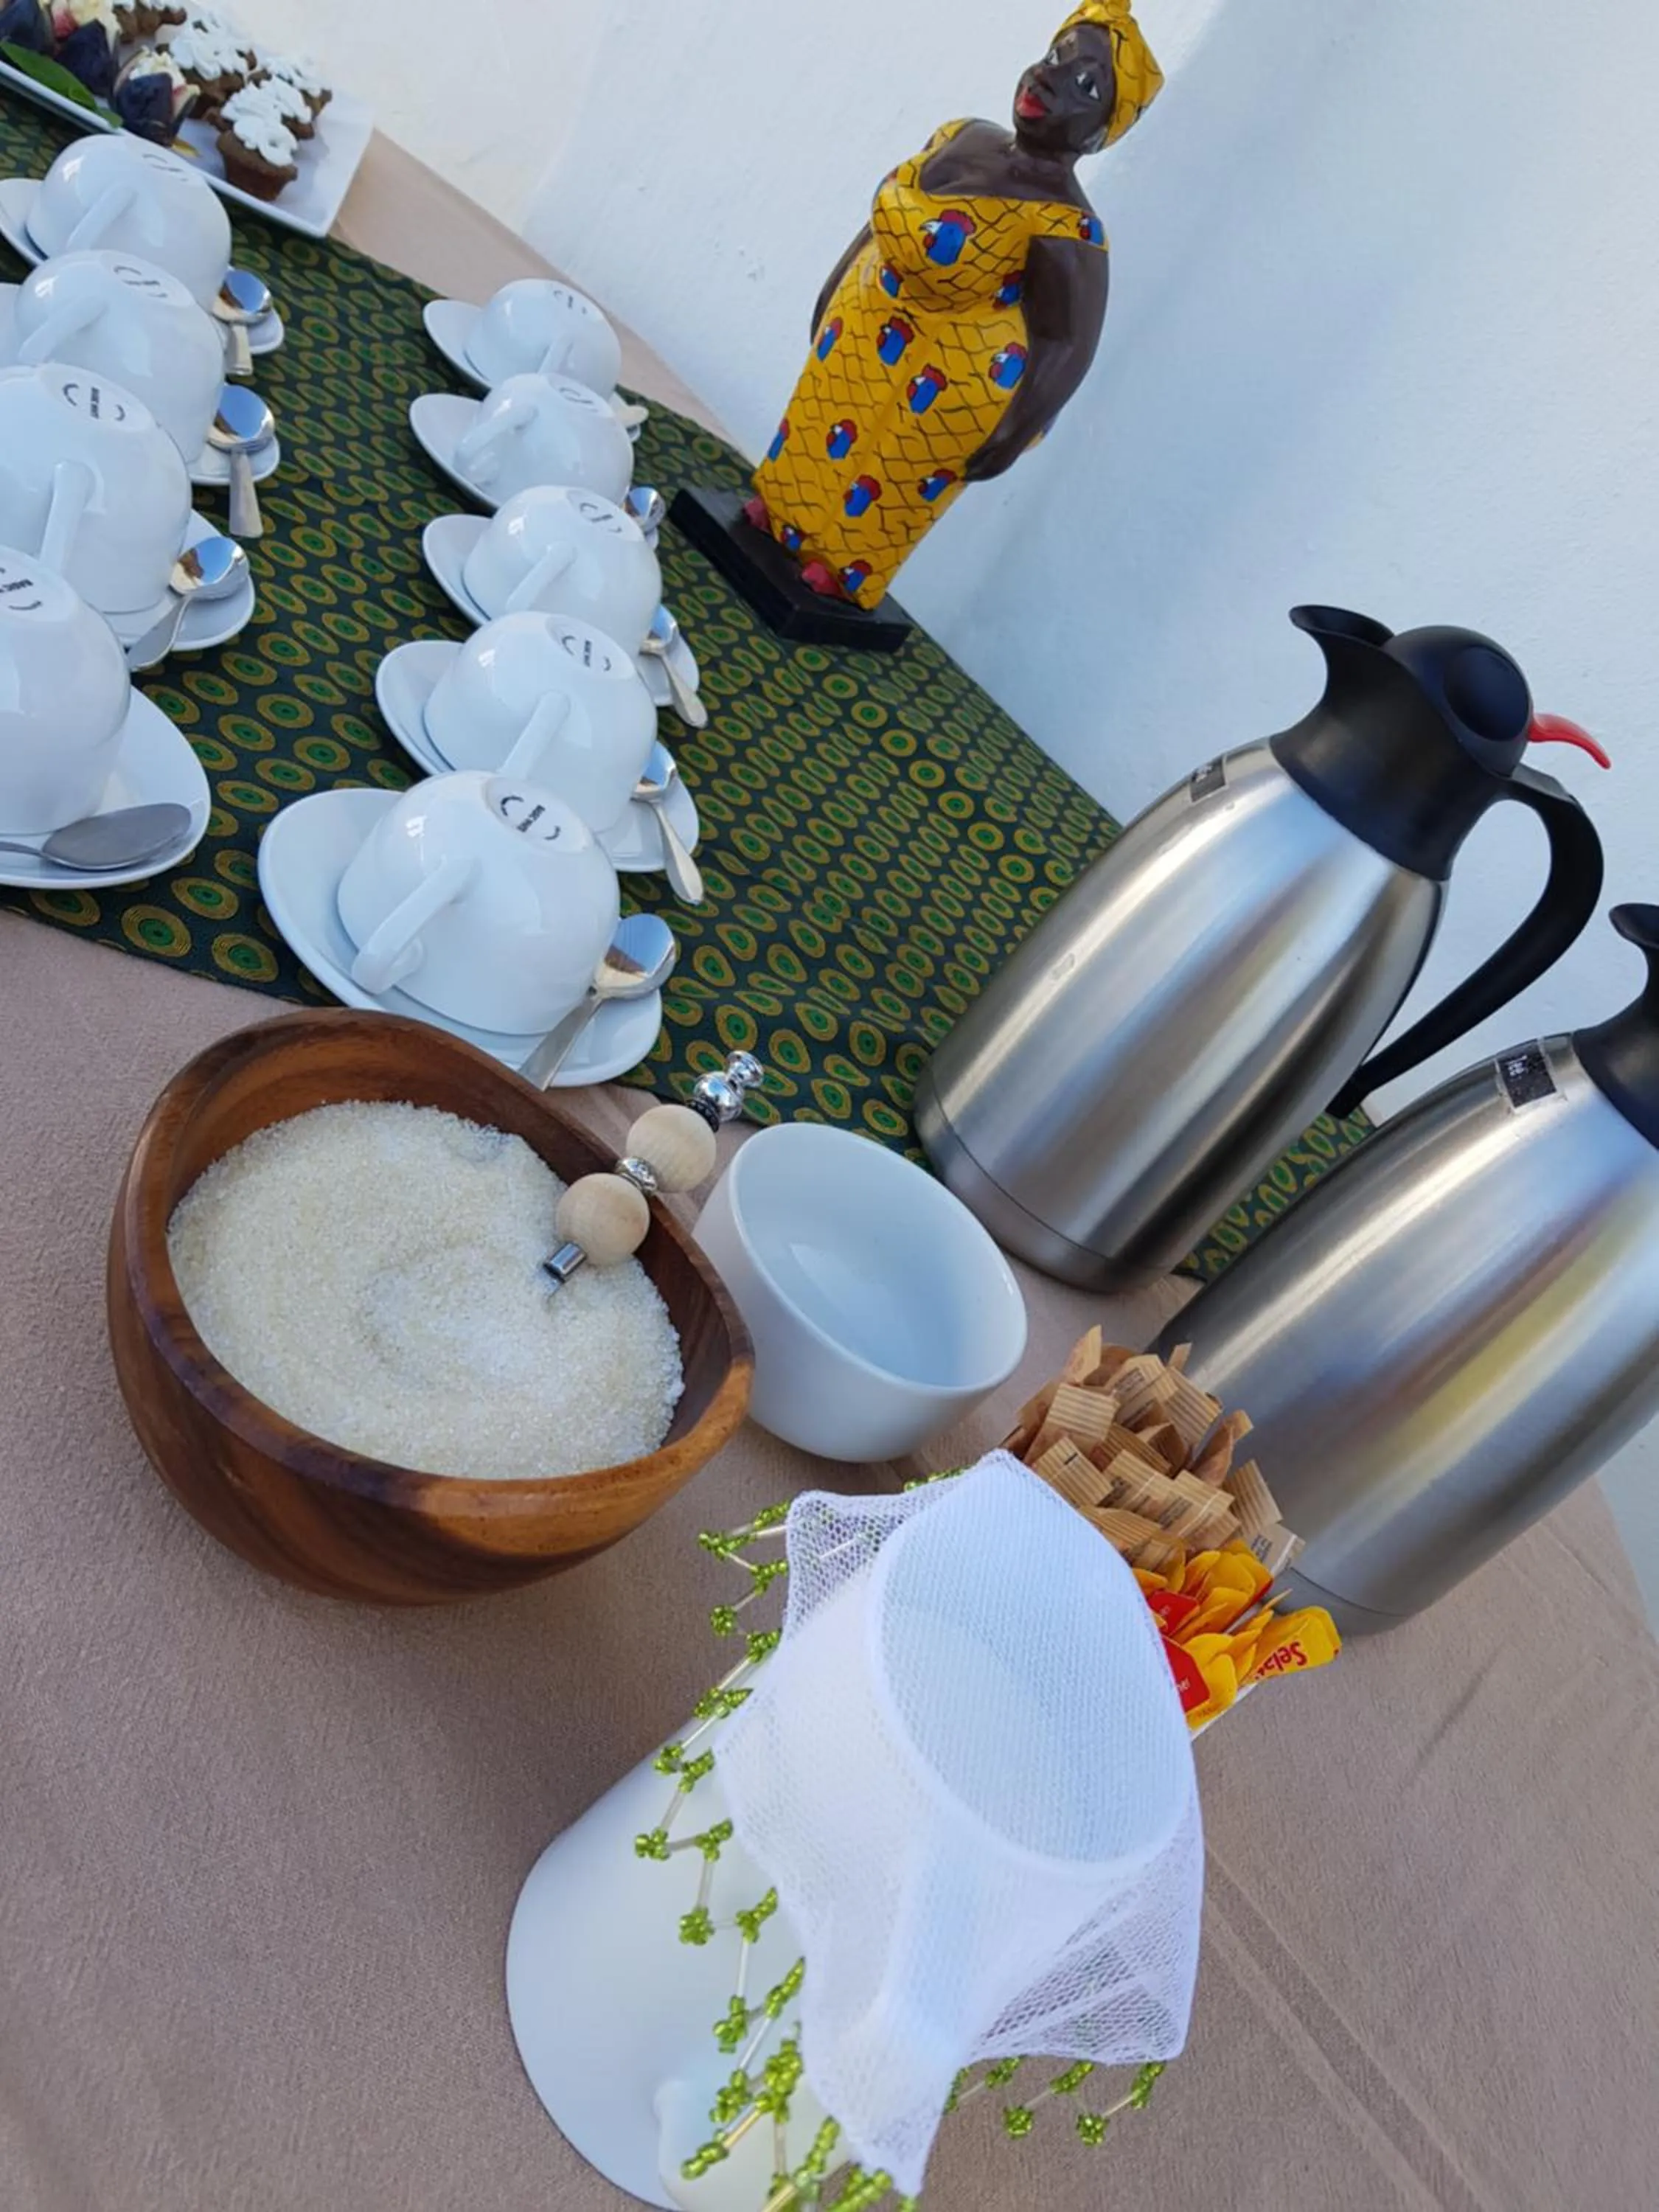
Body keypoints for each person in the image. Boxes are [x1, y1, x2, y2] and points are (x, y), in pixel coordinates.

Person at [745, 0, 1163, 607]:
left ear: (1101, 133)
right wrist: (834, 288)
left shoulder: (1068, 227)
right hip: (862, 325)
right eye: (1055, 57)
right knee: (817, 416)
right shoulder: (961, 135)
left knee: (885, 471)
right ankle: (781, 507)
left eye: (1086, 86)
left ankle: (843, 567)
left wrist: (1012, 433)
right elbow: (875, 230)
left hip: (942, 382)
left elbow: (1068, 342)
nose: (1047, 79)